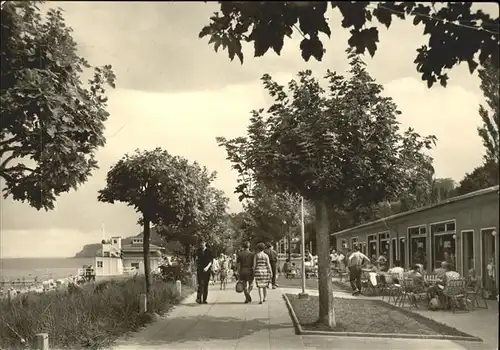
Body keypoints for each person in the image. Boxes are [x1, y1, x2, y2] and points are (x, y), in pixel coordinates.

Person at [195, 238, 213, 304]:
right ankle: (199, 298)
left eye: (202, 243)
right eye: (200, 243)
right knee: (200, 284)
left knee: (205, 285)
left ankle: (204, 299)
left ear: (205, 243)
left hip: (207, 270)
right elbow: (196, 260)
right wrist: (196, 266)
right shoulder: (198, 251)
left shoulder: (209, 251)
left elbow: (211, 261)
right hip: (200, 270)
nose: (201, 244)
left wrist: (207, 267)